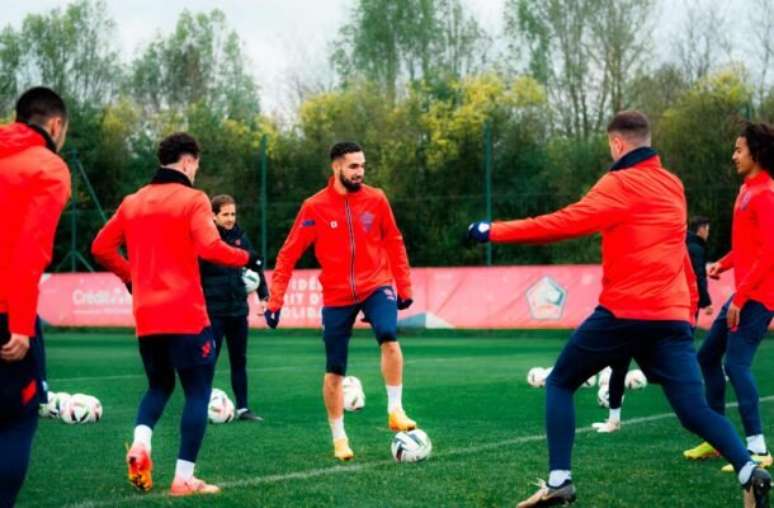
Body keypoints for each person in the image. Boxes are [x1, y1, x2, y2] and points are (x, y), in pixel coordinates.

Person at [467, 111, 771, 507]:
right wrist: (689, 308)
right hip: (670, 320)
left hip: (623, 314)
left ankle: (559, 481)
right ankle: (749, 469)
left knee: (560, 382)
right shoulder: (673, 184)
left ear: (617, 143)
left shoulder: (618, 183)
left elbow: (562, 223)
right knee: (694, 411)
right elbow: (679, 251)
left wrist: (492, 231)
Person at [92, 133, 261, 496]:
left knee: (159, 386)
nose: (196, 170)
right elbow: (210, 247)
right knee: (198, 392)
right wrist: (247, 257)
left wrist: (131, 277)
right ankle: (184, 478)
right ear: (188, 161)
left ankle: (141, 442)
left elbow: (100, 247)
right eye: (196, 164)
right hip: (186, 314)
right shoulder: (193, 199)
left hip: (147, 316)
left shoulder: (133, 201)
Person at [265, 141, 416, 461]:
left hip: (376, 284)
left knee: (388, 335)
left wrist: (404, 287)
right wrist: (275, 301)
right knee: (335, 369)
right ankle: (339, 438)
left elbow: (394, 240)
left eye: (362, 166)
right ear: (336, 167)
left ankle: (395, 409)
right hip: (336, 294)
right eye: (353, 166)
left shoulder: (376, 199)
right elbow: (288, 254)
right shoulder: (314, 207)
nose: (360, 172)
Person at [684, 122, 774, 474]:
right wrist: (724, 262)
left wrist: (740, 300)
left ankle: (759, 448)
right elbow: (750, 247)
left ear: (756, 153)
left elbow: (769, 252)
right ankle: (718, 438)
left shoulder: (765, 193)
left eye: (739, 150)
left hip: (758, 297)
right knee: (707, 357)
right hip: (744, 294)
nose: (733, 155)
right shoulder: (746, 190)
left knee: (736, 366)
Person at [0, 87, 70, 507]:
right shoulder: (47, 167)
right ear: (56, 125)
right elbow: (31, 250)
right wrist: (22, 325)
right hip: (6, 312)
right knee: (16, 419)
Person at [593, 215, 715, 434]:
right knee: (621, 365)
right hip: (636, 316)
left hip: (657, 318)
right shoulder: (643, 246)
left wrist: (691, 310)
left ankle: (703, 416)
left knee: (662, 372)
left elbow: (691, 280)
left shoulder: (673, 247)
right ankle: (614, 419)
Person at [200, 194, 268, 421]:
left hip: (238, 311)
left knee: (239, 360)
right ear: (213, 216)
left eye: (233, 214)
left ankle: (243, 408)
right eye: (225, 214)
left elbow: (255, 267)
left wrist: (263, 295)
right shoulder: (205, 240)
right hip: (214, 312)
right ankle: (199, 406)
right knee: (208, 361)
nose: (230, 218)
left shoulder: (241, 237)